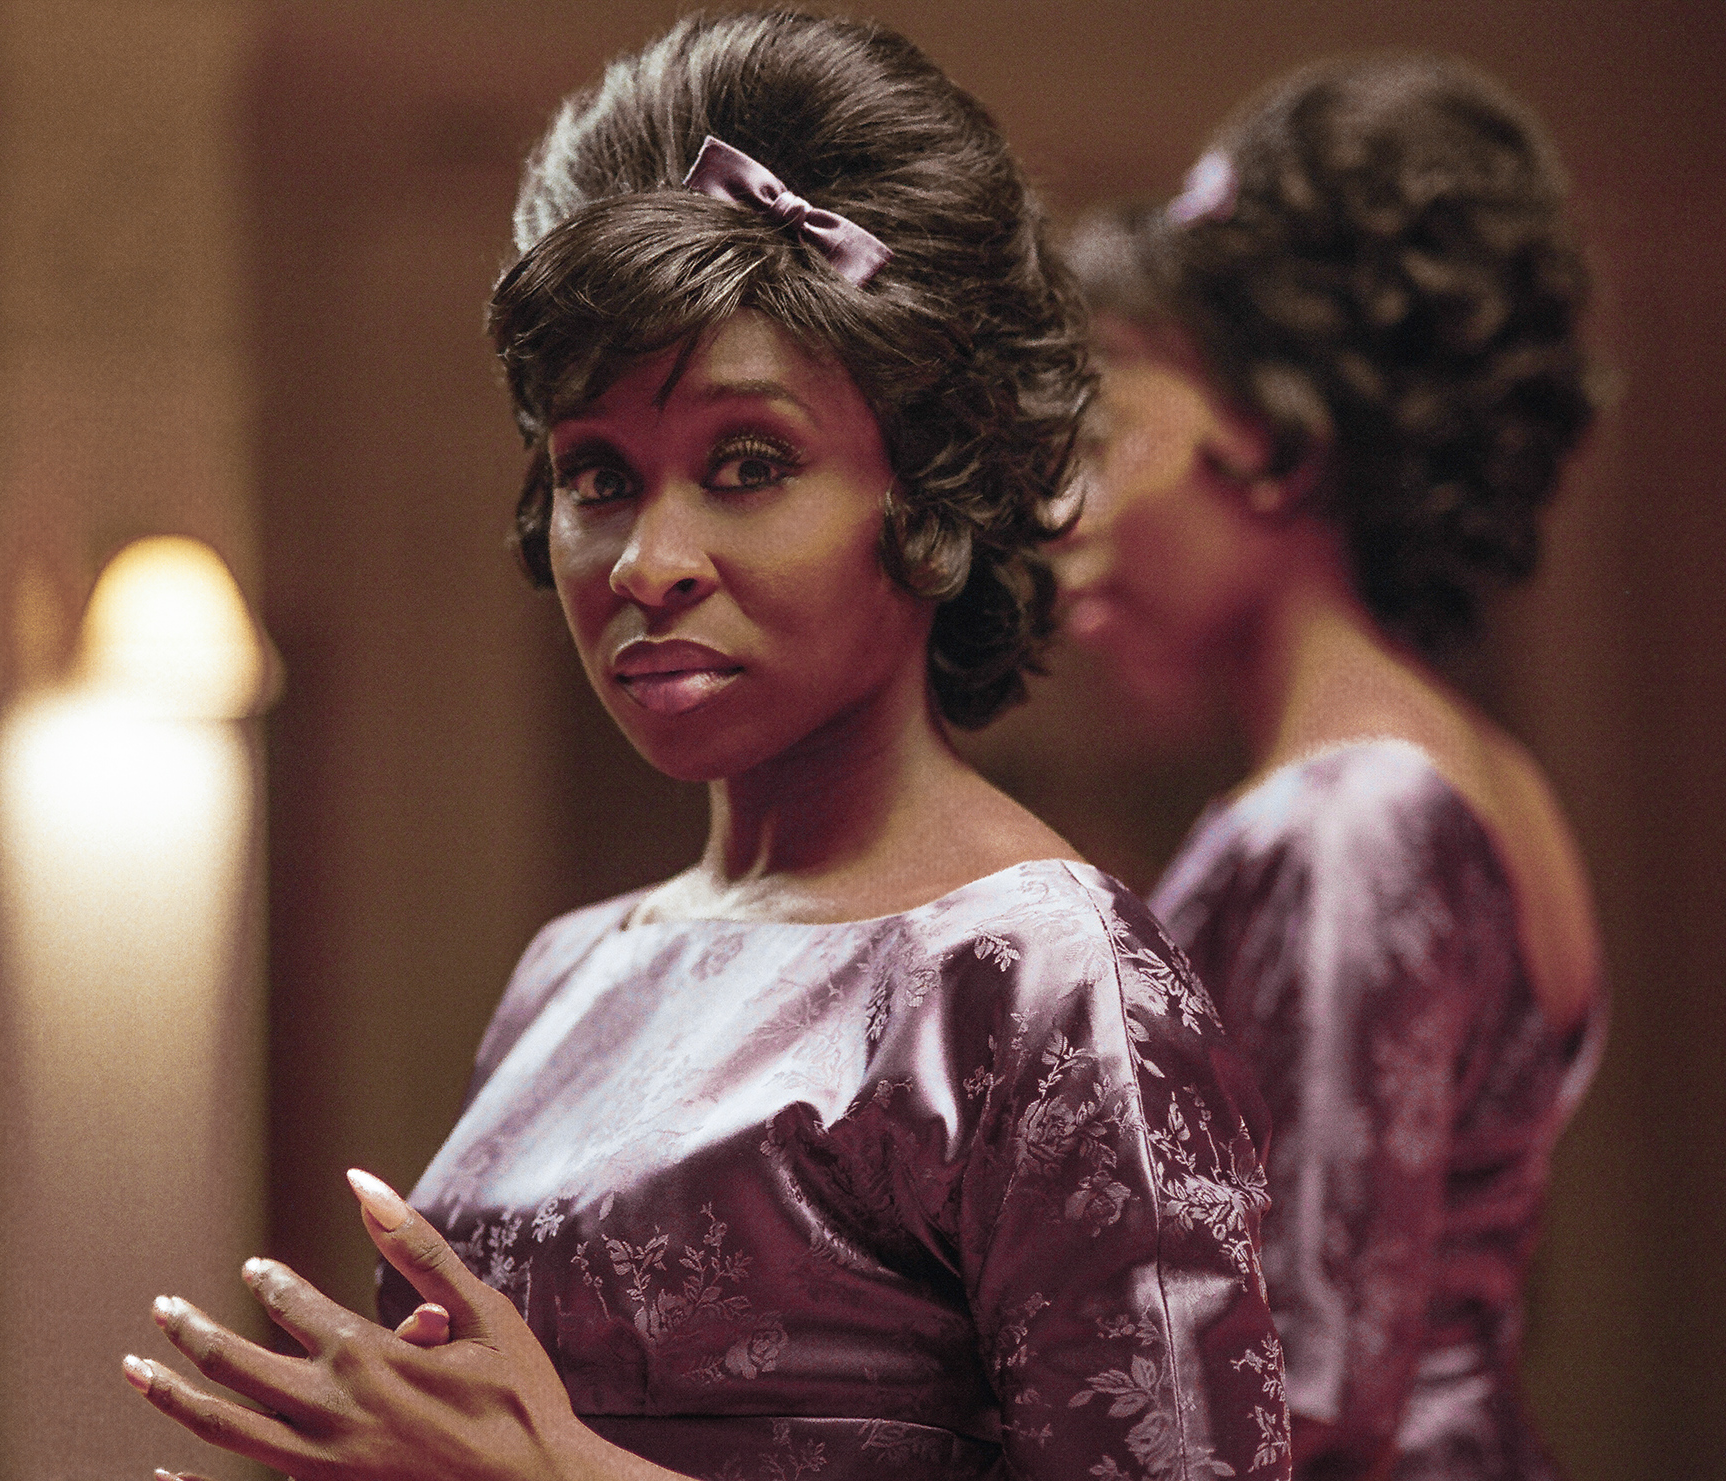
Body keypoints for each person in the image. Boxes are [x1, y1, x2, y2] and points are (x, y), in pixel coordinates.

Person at [123, 13, 1288, 1481]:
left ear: (925, 489)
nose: (646, 560)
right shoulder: (573, 969)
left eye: (749, 463)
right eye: (596, 474)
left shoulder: (1048, 979)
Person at [1054, 53, 1604, 1481]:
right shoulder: (1475, 776)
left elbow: (1303, 1390)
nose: (1063, 510)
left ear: (1280, 446)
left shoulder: (1355, 815)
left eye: (1109, 435)